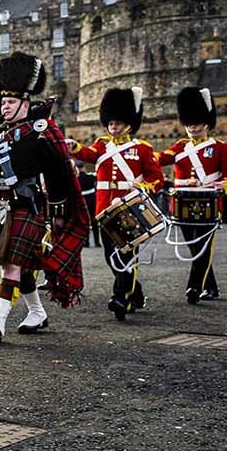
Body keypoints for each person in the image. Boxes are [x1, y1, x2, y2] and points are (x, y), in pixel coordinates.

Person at [0, 53, 89, 342]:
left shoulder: (42, 131)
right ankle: (37, 312)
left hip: (28, 205)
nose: (5, 106)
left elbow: (60, 173)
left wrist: (60, 213)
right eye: (3, 102)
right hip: (1, 208)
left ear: (25, 103)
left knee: (11, 262)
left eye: (11, 102)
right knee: (23, 267)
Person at [68, 87, 163, 320]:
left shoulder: (142, 148)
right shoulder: (102, 145)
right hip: (105, 209)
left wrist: (142, 187)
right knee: (111, 256)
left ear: (129, 124)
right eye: (110, 123)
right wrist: (75, 148)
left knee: (127, 255)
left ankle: (122, 298)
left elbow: (156, 178)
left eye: (118, 123)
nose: (113, 126)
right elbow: (89, 154)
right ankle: (135, 292)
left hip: (130, 209)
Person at [157, 87, 227, 304]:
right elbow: (161, 158)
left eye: (197, 122)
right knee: (194, 246)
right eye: (189, 122)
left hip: (208, 202)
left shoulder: (219, 147)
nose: (193, 126)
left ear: (206, 123)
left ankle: (194, 287)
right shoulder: (179, 147)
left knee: (204, 244)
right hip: (182, 202)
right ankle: (210, 286)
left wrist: (225, 185)